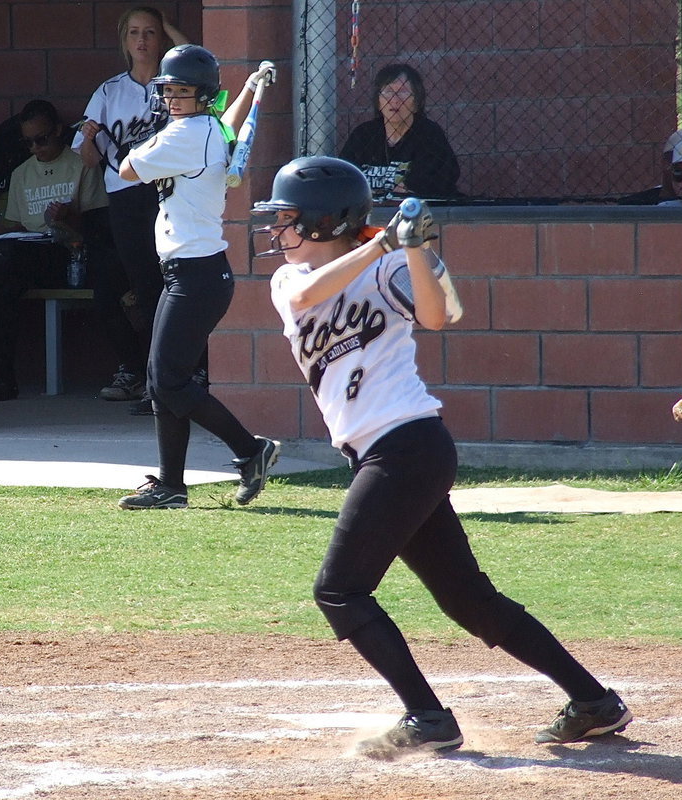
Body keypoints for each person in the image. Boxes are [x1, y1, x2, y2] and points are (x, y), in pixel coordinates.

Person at [254, 155, 632, 759]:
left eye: (291, 218)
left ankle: (427, 718)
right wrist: (383, 248)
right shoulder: (291, 279)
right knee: (467, 600)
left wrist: (417, 251)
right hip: (391, 454)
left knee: (340, 591)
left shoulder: (387, 266)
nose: (279, 230)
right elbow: (307, 298)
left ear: (327, 222)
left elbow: (440, 315)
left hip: (406, 446)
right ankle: (595, 703)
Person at [116, 44, 280, 510]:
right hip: (193, 274)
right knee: (160, 378)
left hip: (196, 275)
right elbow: (226, 125)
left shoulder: (185, 134)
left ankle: (251, 450)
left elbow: (128, 169)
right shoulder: (205, 126)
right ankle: (171, 485)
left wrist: (154, 137)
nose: (172, 98)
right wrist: (249, 89)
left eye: (183, 91)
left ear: (203, 96)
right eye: (168, 89)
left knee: (167, 379)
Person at [73, 5, 189, 414]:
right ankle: (146, 377)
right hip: (123, 197)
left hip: (167, 194)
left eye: (151, 33)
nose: (142, 41)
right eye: (134, 33)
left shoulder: (175, 84)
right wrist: (88, 138)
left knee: (169, 285)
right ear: (124, 41)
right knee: (137, 288)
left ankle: (176, 380)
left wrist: (170, 27)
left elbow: (196, 57)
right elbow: (88, 159)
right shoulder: (109, 91)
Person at [0, 99, 108, 401]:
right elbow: (18, 224)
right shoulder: (23, 172)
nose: (35, 148)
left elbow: (97, 225)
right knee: (5, 290)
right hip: (24, 255)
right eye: (28, 142)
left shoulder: (80, 164)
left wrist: (68, 216)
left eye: (42, 139)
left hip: (67, 254)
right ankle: (4, 380)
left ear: (59, 131)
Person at [339, 64, 460, 200]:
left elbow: (442, 177)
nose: (395, 100)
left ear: (416, 102)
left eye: (403, 92)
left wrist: (410, 186)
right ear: (378, 101)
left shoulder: (429, 135)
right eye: (388, 91)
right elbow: (343, 176)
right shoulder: (363, 135)